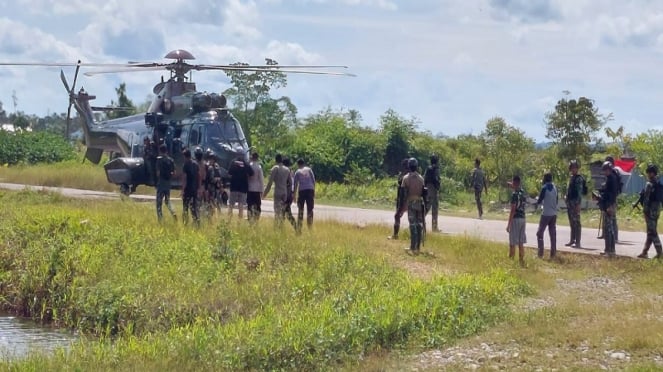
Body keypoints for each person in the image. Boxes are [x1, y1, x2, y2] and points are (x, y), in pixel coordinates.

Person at [263, 154, 297, 230]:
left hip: (278, 192)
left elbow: (270, 183)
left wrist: (264, 194)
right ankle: (281, 228)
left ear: (276, 160)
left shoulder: (275, 168)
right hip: (285, 193)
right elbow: (290, 183)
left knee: (277, 212)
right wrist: (289, 194)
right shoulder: (287, 170)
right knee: (283, 212)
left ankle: (276, 229)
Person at [636, 164, 662, 259]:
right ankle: (645, 252)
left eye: (648, 173)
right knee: (650, 232)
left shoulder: (649, 184)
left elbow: (646, 201)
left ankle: (660, 253)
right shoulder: (658, 183)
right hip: (657, 211)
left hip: (650, 212)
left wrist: (645, 212)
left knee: (652, 232)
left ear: (651, 173)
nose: (647, 174)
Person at [401, 157, 425, 255]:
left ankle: (412, 247)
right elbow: (423, 192)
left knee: (412, 225)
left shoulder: (406, 178)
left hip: (410, 203)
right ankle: (418, 247)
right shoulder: (421, 178)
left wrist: (403, 206)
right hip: (419, 203)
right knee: (419, 225)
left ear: (409, 166)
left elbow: (403, 193)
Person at [597, 161, 618, 257]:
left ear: (609, 169)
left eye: (606, 170)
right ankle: (608, 250)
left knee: (609, 229)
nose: (605, 172)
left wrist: (609, 206)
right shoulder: (610, 178)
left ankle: (610, 251)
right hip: (608, 204)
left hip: (609, 205)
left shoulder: (611, 179)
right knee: (608, 228)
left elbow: (612, 195)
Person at [535, 173, 558, 259]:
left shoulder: (544, 188)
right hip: (554, 214)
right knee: (552, 235)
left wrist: (536, 202)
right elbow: (556, 200)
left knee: (539, 233)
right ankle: (553, 254)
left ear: (545, 179)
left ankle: (540, 254)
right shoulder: (555, 188)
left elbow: (540, 200)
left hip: (546, 214)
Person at [506, 175, 527, 266]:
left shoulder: (514, 195)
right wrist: (512, 185)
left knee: (512, 243)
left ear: (514, 183)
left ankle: (511, 261)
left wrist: (509, 224)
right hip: (523, 219)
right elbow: (517, 188)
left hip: (516, 219)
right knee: (520, 242)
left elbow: (513, 209)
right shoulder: (522, 192)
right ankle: (521, 261)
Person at [155, 143, 177, 222]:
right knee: (167, 201)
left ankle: (160, 219)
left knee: (159, 203)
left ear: (160, 151)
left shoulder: (159, 160)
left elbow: (158, 173)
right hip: (168, 184)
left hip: (161, 183)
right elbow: (174, 173)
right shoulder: (171, 160)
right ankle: (173, 213)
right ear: (166, 150)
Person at [564, 160, 584, 248]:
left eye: (575, 168)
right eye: (572, 168)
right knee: (572, 222)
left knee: (577, 222)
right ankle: (572, 240)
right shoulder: (571, 178)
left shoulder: (579, 178)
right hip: (570, 203)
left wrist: (578, 204)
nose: (573, 169)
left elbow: (579, 193)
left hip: (575, 203)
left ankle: (578, 242)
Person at [600, 156, 620, 241]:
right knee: (607, 218)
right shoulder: (609, 174)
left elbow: (613, 189)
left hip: (612, 199)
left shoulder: (614, 173)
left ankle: (614, 236)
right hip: (608, 199)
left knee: (612, 219)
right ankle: (605, 234)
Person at [227, 155, 254, 220]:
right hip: (243, 188)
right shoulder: (245, 163)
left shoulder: (233, 162)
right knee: (241, 205)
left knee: (231, 204)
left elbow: (229, 174)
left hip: (234, 187)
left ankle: (229, 220)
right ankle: (240, 221)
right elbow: (252, 173)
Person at [389, 158, 410, 240]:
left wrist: (401, 203)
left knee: (397, 216)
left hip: (404, 200)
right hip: (410, 200)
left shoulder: (404, 177)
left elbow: (403, 190)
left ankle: (395, 235)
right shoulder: (412, 176)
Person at [293, 158, 316, 231]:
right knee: (310, 209)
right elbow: (313, 180)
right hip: (310, 190)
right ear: (304, 163)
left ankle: (299, 227)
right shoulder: (309, 170)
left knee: (301, 209)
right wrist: (313, 191)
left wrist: (294, 196)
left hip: (302, 191)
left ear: (298, 164)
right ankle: (310, 226)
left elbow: (295, 184)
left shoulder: (297, 172)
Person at [181, 148, 200, 227]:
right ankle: (197, 221)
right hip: (194, 189)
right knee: (193, 207)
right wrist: (198, 187)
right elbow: (198, 176)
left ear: (185, 156)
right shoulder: (195, 164)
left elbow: (184, 178)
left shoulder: (185, 165)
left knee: (185, 207)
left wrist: (182, 190)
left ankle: (185, 223)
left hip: (188, 189)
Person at [423, 154, 441, 232]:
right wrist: (438, 187)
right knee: (435, 208)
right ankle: (434, 227)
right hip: (433, 189)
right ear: (436, 161)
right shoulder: (436, 169)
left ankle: (419, 220)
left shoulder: (428, 169)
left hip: (427, 188)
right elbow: (436, 179)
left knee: (427, 207)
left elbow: (424, 178)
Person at [247, 152, 265, 223]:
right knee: (258, 206)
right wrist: (262, 190)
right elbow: (261, 179)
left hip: (250, 188)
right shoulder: (259, 167)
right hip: (257, 189)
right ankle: (256, 219)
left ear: (252, 157)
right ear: (257, 158)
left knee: (249, 205)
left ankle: (250, 219)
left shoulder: (249, 166)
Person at [193, 147, 209, 219]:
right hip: (202, 185)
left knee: (199, 202)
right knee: (201, 202)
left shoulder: (196, 164)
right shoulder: (204, 164)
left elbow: (204, 176)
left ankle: (200, 216)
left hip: (199, 185)